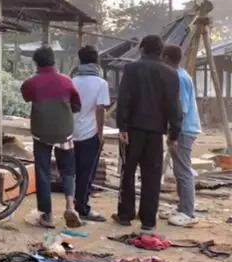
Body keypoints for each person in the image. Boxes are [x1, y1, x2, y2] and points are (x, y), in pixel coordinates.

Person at [115, 35, 181, 231]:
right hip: (155, 132)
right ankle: (148, 220)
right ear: (160, 51)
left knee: (127, 172)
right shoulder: (170, 74)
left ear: (142, 49)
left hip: (132, 130)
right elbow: (173, 107)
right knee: (151, 176)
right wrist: (174, 134)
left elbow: (124, 99)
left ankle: (125, 215)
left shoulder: (131, 68)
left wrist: (122, 127)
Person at [21, 45, 83, 229]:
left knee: (43, 170)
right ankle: (71, 206)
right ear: (54, 61)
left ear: (36, 63)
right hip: (64, 132)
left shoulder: (30, 83)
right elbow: (77, 106)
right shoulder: (67, 81)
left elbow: (26, 97)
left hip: (41, 132)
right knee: (68, 169)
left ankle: (47, 215)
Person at [70, 45, 111, 222]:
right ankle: (82, 208)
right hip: (90, 133)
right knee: (86, 173)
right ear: (96, 62)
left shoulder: (72, 81)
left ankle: (70, 206)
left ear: (80, 60)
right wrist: (100, 134)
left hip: (71, 133)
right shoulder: (101, 84)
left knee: (71, 172)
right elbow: (100, 110)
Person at [161, 44, 201, 227]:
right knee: (179, 170)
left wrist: (173, 136)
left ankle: (188, 212)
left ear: (167, 58)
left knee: (183, 171)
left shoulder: (178, 78)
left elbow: (181, 110)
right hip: (184, 128)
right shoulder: (182, 75)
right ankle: (181, 207)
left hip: (184, 129)